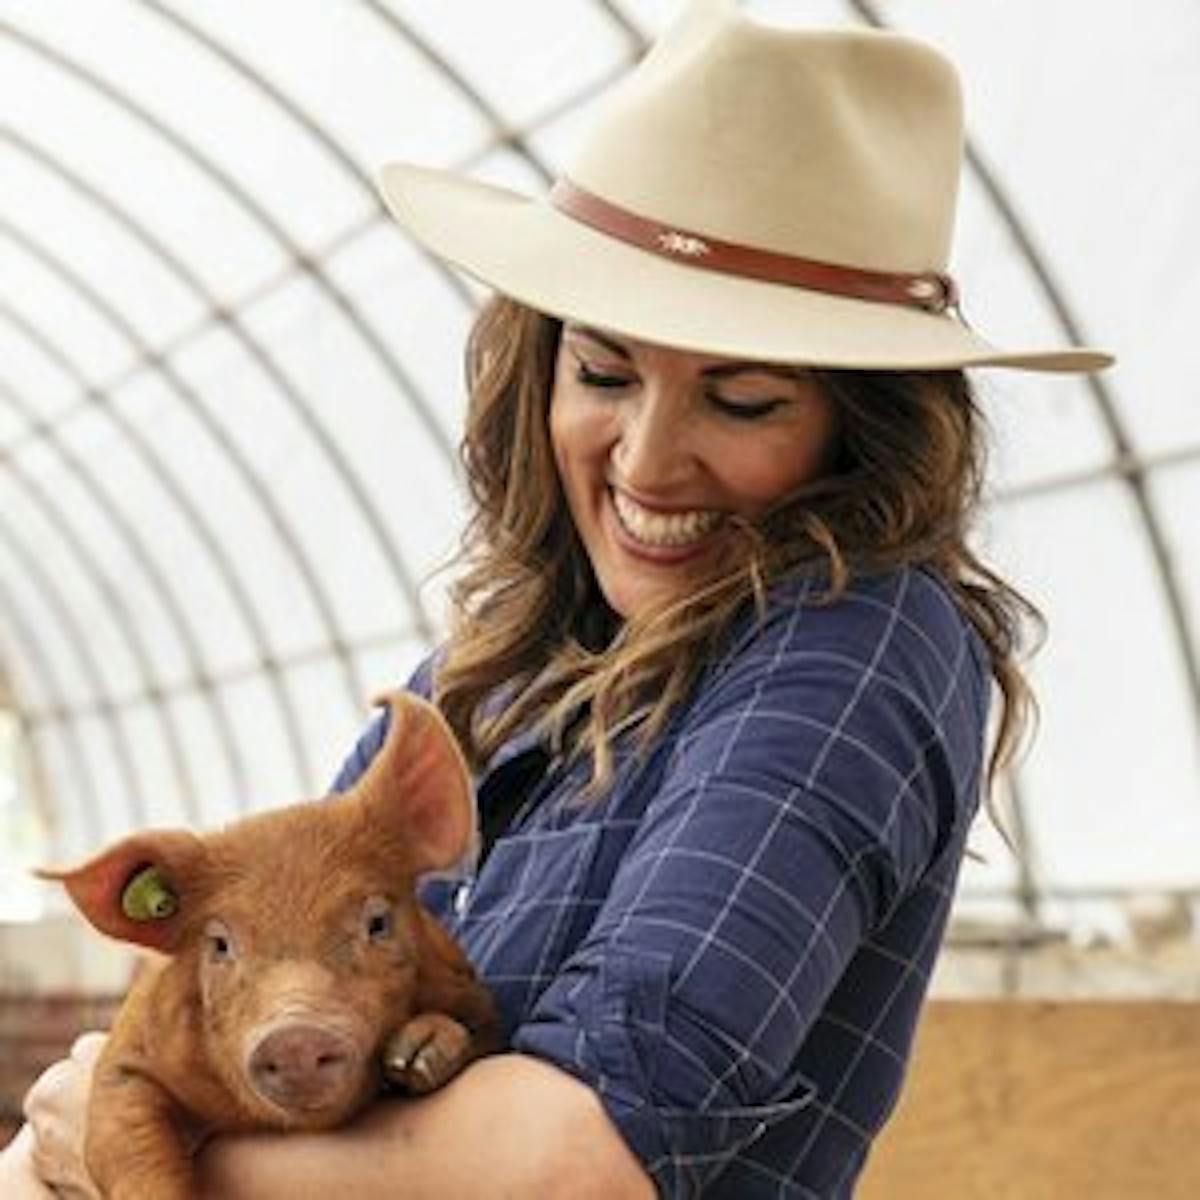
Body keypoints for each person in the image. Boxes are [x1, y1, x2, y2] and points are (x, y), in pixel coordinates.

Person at [2, 1, 1111, 1196]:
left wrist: (132, 1161)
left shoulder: (857, 642)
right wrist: (104, 1120)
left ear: (865, 429)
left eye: (741, 401)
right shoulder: (487, 675)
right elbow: (220, 1002)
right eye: (603, 372)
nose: (644, 462)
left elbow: (577, 1165)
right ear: (536, 362)